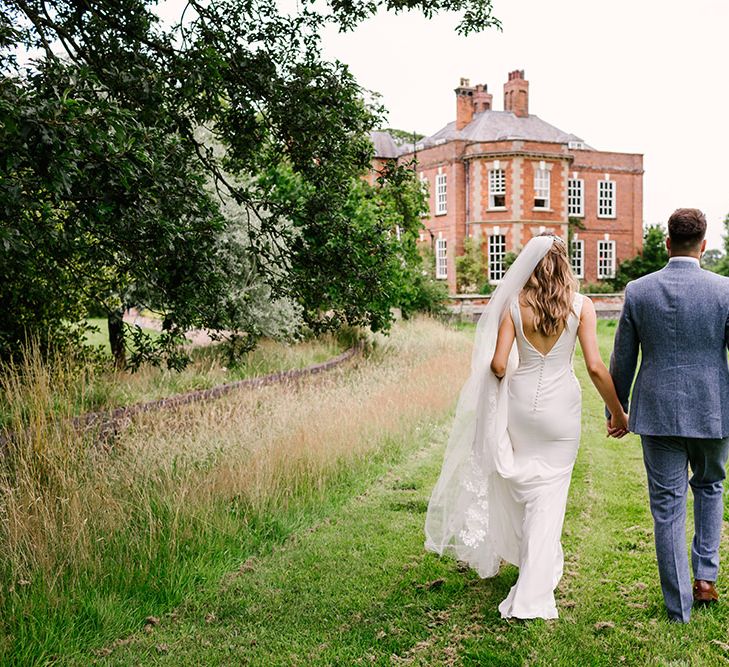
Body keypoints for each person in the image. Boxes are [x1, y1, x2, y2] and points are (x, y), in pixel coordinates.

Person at [425, 232, 628, 620]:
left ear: (530, 266)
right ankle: (534, 592)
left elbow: (499, 365)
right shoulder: (581, 306)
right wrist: (617, 412)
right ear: (564, 263)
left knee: (523, 484)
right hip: (561, 411)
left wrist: (499, 389)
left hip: (520, 407)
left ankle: (534, 561)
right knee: (549, 494)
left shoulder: (514, 307)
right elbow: (595, 368)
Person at [608, 208, 729, 623]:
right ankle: (706, 579)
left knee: (667, 506)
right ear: (704, 244)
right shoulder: (725, 291)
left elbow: (623, 356)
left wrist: (616, 408)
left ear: (666, 242)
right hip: (713, 409)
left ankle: (679, 607)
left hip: (657, 411)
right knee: (710, 486)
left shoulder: (639, 290)